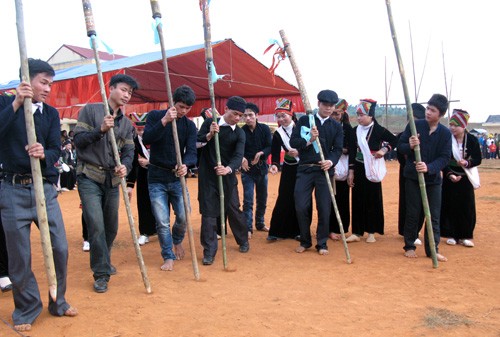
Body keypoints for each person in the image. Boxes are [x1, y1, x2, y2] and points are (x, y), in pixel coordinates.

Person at [0, 58, 77, 332]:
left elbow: (56, 150)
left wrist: (45, 153)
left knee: (60, 247)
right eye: (43, 82)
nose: (47, 89)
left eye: (50, 84)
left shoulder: (51, 114)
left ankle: (58, 300)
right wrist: (17, 104)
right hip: (11, 189)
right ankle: (27, 307)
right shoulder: (4, 104)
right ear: (26, 80)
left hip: (43, 188)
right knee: (19, 255)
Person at [73, 74, 137, 293]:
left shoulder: (126, 124)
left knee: (111, 227)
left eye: (130, 92)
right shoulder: (90, 111)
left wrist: (125, 167)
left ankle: (104, 259)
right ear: (111, 88)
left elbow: (129, 151)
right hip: (89, 176)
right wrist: (99, 130)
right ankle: (101, 273)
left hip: (112, 179)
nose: (127, 95)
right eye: (124, 90)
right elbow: (78, 142)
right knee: (96, 225)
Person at [142, 85, 197, 271]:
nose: (183, 111)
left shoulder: (189, 125)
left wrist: (186, 164)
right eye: (181, 106)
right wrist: (164, 121)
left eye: (187, 108)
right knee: (162, 221)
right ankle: (168, 255)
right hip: (156, 177)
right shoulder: (155, 116)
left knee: (183, 216)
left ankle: (177, 240)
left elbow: (191, 152)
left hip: (177, 178)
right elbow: (147, 138)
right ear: (172, 102)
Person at [197, 96, 250, 265]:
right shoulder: (210, 123)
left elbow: (238, 155)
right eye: (235, 113)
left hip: (227, 176)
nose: (237, 118)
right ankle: (209, 251)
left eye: (240, 116)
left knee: (233, 208)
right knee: (209, 213)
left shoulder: (239, 132)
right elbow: (197, 141)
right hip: (208, 177)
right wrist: (210, 134)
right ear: (226, 108)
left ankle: (243, 240)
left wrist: (228, 169)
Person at [398, 93, 451, 262]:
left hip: (433, 180)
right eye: (427, 108)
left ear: (440, 114)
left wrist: (429, 168)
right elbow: (400, 147)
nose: (428, 112)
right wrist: (411, 146)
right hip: (413, 178)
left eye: (432, 110)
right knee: (413, 212)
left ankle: (432, 249)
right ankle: (409, 245)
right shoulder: (414, 126)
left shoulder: (445, 133)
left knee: (433, 215)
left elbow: (444, 157)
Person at [290, 90, 343, 255]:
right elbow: (294, 142)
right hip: (305, 169)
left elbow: (338, 149)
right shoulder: (306, 120)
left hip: (324, 171)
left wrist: (331, 161)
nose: (328, 109)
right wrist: (309, 140)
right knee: (300, 205)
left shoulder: (336, 126)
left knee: (324, 208)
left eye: (331, 106)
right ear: (318, 104)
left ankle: (322, 243)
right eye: (325, 105)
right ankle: (305, 241)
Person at [347, 99, 397, 243]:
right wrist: (351, 171)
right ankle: (356, 232)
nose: (359, 118)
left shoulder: (379, 130)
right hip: (358, 167)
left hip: (373, 168)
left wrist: (384, 149)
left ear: (371, 116)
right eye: (358, 115)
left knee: (372, 199)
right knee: (357, 198)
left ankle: (371, 232)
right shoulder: (354, 131)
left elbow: (395, 141)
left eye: (362, 115)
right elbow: (351, 151)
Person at [440, 109, 481, 247]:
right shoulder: (446, 139)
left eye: (455, 125)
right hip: (449, 175)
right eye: (450, 125)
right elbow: (443, 159)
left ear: (463, 126)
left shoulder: (472, 140)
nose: (452, 128)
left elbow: (478, 159)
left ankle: (465, 235)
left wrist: (467, 163)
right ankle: (451, 234)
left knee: (466, 205)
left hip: (466, 176)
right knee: (449, 204)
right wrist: (449, 174)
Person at [267, 98, 301, 241]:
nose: (281, 119)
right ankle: (277, 231)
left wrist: (299, 152)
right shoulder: (278, 133)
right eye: (279, 116)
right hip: (288, 167)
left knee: (299, 198)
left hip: (302, 167)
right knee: (284, 196)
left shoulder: (301, 127)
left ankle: (299, 231)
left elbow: (311, 145)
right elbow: (275, 152)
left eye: (284, 116)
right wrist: (274, 164)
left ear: (291, 114)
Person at [241, 102, 272, 238]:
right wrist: (241, 158)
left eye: (250, 115)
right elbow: (236, 148)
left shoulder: (265, 129)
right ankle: (248, 228)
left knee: (262, 198)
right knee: (248, 200)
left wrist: (261, 153)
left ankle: (260, 223)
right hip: (247, 170)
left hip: (262, 169)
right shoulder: (241, 131)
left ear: (256, 115)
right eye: (245, 115)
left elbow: (270, 146)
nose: (248, 118)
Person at [126, 112, 157, 246]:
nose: (141, 131)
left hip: (159, 174)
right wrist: (130, 185)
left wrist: (150, 163)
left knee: (160, 204)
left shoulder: (157, 137)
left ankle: (161, 230)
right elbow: (133, 163)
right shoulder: (134, 142)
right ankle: (145, 232)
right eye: (138, 129)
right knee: (143, 204)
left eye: (143, 128)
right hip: (143, 176)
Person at [397, 103, 426, 244]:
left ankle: (416, 230)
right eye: (410, 118)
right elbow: (400, 152)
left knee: (421, 203)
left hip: (424, 172)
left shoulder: (427, 134)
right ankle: (406, 230)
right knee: (406, 202)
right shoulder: (404, 135)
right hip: (406, 172)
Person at [328, 99, 355, 241]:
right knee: (329, 199)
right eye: (332, 114)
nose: (335, 116)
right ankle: (329, 228)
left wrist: (351, 170)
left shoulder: (348, 129)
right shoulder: (326, 126)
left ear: (343, 114)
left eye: (337, 114)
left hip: (343, 168)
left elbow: (352, 150)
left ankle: (342, 228)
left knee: (343, 199)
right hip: (329, 166)